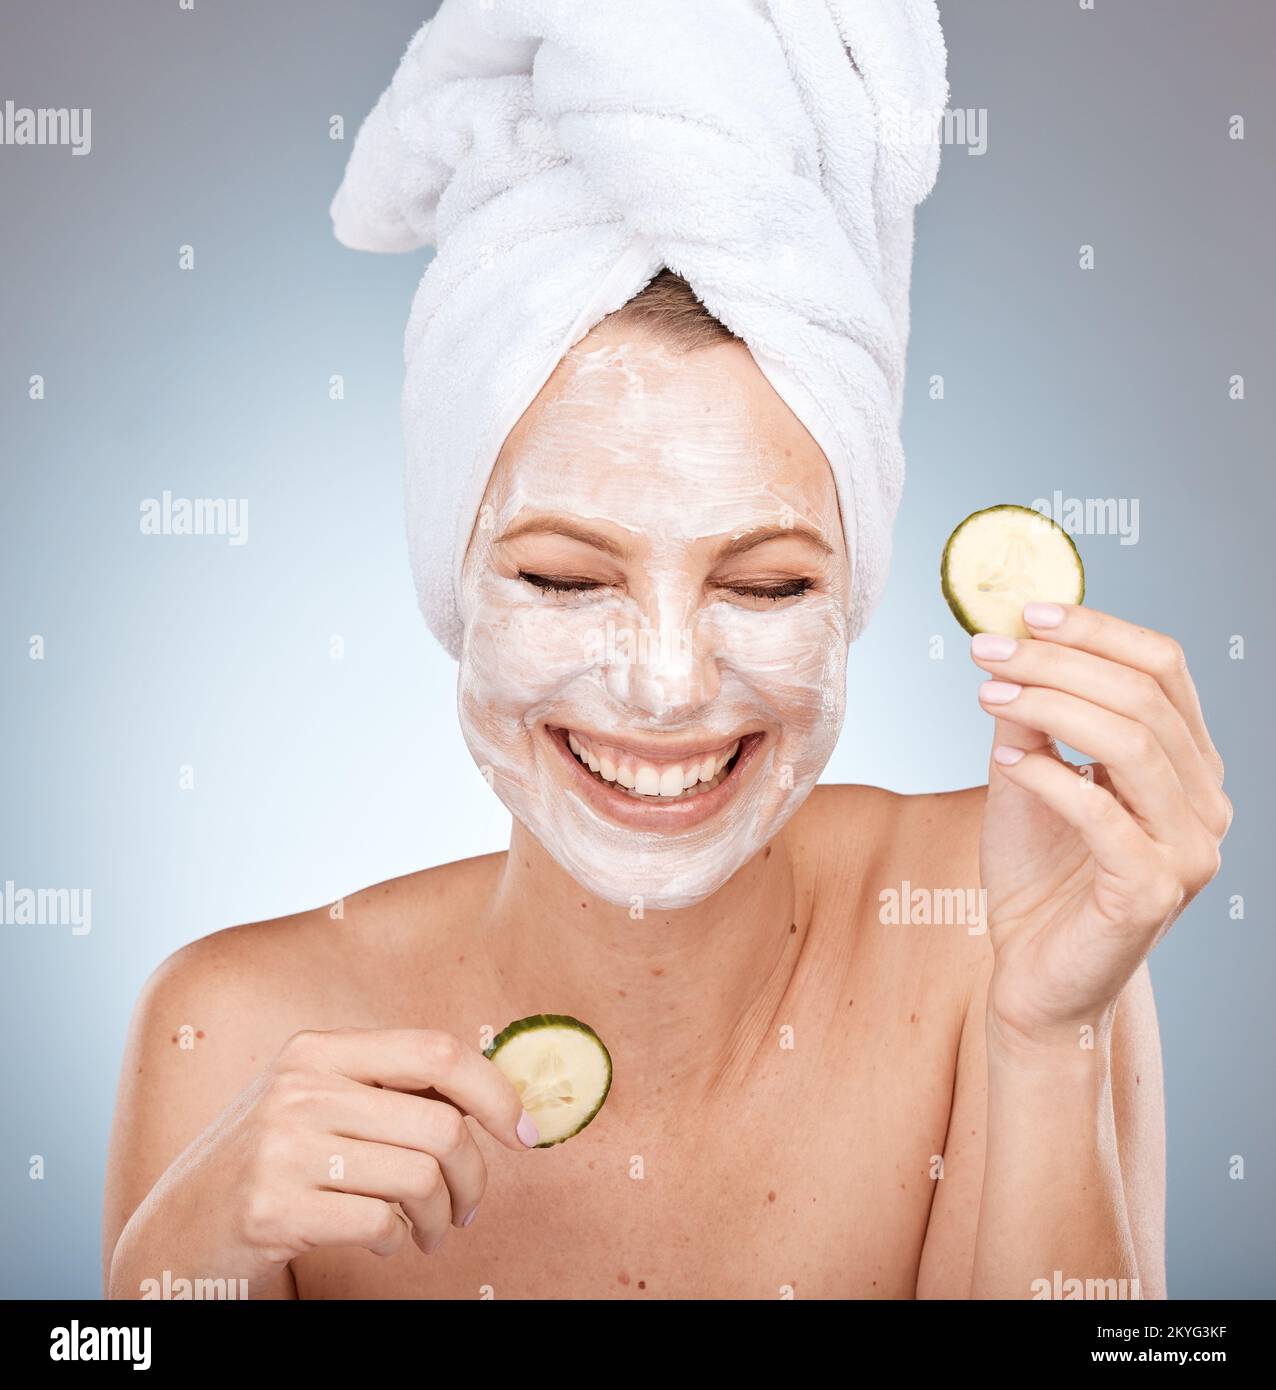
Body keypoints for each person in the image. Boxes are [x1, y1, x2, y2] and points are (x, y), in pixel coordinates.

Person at [104, 3, 1229, 1300]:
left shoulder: (1006, 919)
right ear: (453, 585)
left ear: (851, 596)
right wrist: (167, 1274)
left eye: (762, 581)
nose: (666, 681)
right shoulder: (226, 1029)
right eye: (565, 576)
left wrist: (1049, 1037)